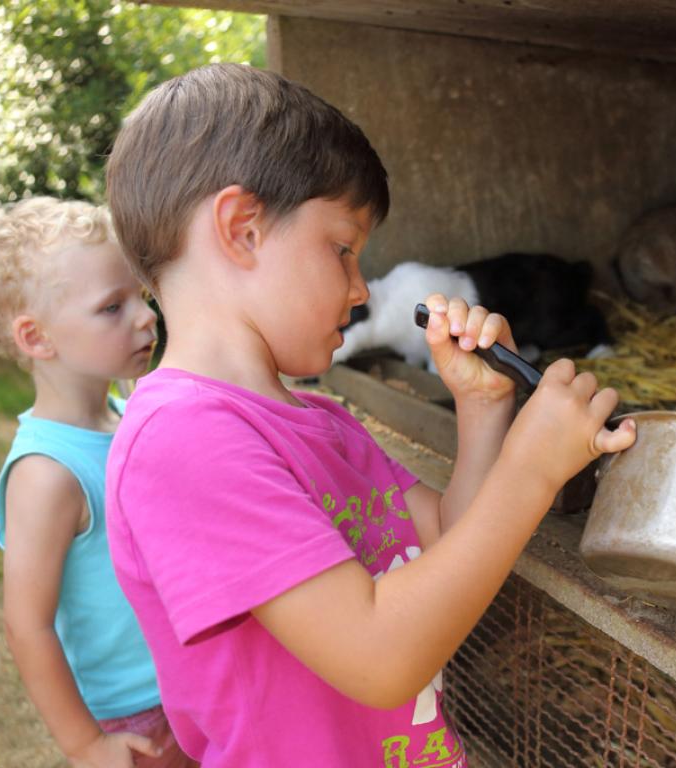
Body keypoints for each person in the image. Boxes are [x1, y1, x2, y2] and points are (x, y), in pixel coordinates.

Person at [103, 62, 636, 767]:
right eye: (343, 249)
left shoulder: (323, 422)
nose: (359, 291)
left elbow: (451, 541)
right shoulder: (184, 440)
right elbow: (382, 656)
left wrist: (484, 409)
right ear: (243, 230)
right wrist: (532, 470)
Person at [0, 197, 197, 768]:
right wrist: (86, 744)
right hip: (138, 716)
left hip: (189, 683)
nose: (145, 317)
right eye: (112, 307)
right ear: (37, 338)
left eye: (138, 296)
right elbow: (28, 625)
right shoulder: (46, 476)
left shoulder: (125, 414)